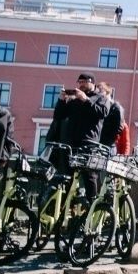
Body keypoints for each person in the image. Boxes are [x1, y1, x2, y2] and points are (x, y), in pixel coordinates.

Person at [45, 72, 111, 200]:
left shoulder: (101, 98)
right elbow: (59, 116)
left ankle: (92, 204)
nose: (81, 85)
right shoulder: (74, 101)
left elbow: (102, 113)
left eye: (84, 82)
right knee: (67, 176)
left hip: (89, 144)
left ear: (91, 83)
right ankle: (67, 207)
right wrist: (61, 101)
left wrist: (85, 100)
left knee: (89, 176)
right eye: (79, 82)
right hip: (71, 143)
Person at [97, 82, 125, 151]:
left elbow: (119, 127)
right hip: (98, 143)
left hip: (108, 145)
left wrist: (109, 139)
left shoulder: (116, 107)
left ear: (108, 92)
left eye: (101, 91)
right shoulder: (99, 106)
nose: (98, 94)